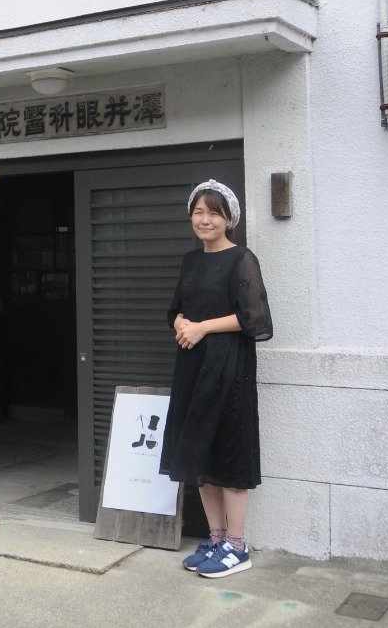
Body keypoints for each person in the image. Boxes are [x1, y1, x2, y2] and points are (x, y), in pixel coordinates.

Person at [161, 179, 272, 579]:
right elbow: (176, 308)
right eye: (198, 212)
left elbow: (254, 318)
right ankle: (217, 537)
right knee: (200, 454)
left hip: (229, 369)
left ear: (229, 219)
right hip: (193, 366)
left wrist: (203, 327)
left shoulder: (242, 258)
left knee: (229, 453)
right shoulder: (191, 261)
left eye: (213, 213)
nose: (204, 220)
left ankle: (237, 548)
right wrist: (181, 323)